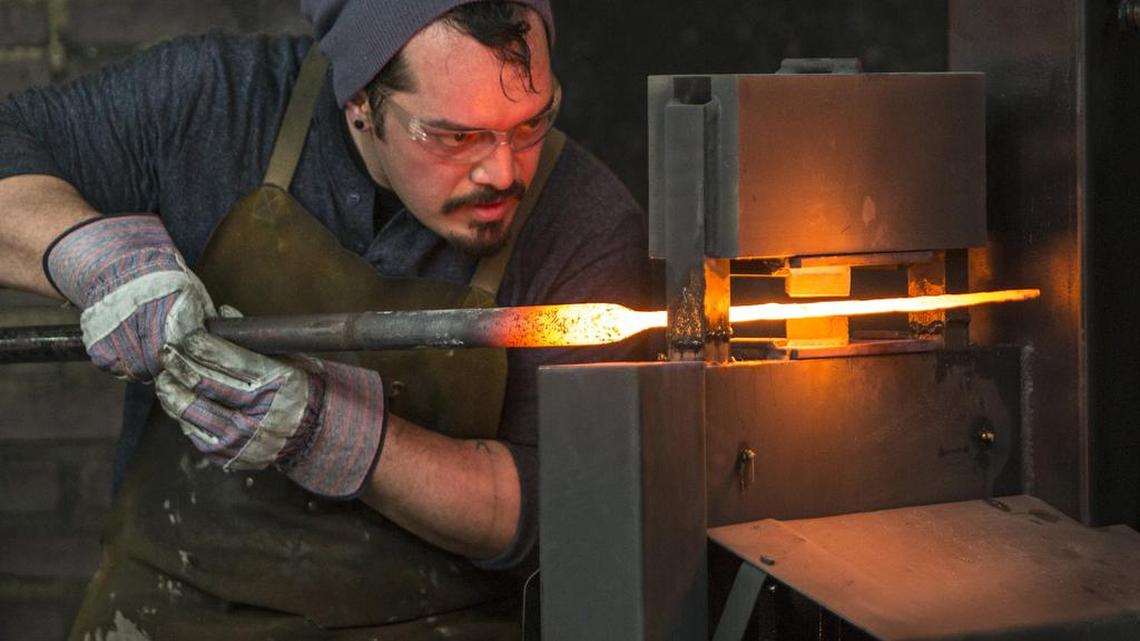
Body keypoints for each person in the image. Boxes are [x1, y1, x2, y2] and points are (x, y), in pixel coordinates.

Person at [0, 0, 648, 638]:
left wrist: (338, 437)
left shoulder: (584, 222)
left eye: (532, 122)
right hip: (168, 609)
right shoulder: (217, 104)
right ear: (361, 100)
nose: (503, 171)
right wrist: (90, 257)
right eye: (456, 136)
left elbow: (561, 507)